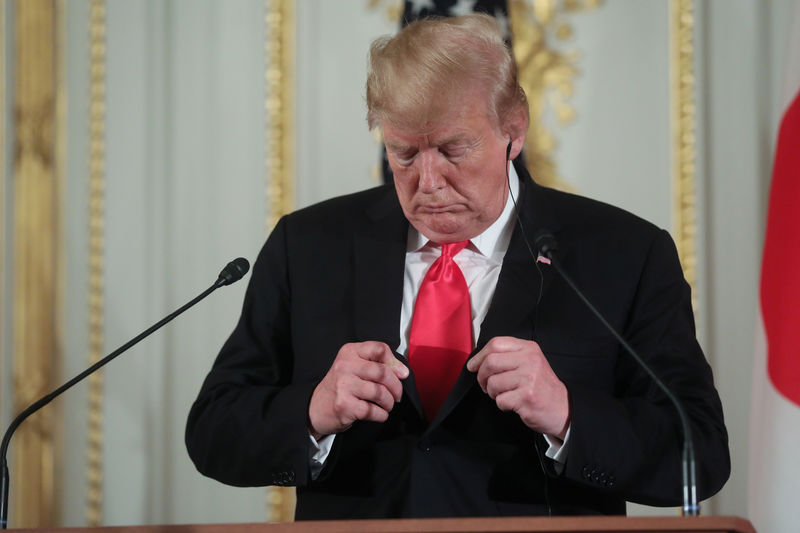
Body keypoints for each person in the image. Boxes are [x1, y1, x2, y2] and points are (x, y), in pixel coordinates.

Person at [185, 14, 729, 519]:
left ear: (513, 129)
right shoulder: (307, 246)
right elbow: (213, 431)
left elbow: (699, 451)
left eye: (452, 149)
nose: (428, 181)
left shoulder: (624, 253)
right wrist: (312, 411)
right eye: (403, 154)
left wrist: (567, 414)